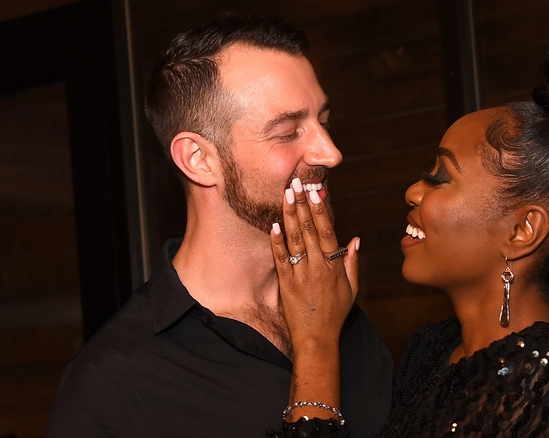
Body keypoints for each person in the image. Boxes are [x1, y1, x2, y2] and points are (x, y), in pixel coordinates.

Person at [268, 38, 549, 437]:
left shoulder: (545, 375)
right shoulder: (434, 348)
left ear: (522, 231)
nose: (413, 192)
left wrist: (315, 344)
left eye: (440, 178)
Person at [45, 14, 392, 437]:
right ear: (198, 159)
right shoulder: (114, 383)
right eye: (287, 132)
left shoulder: (343, 314)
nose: (330, 153)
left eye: (324, 121)